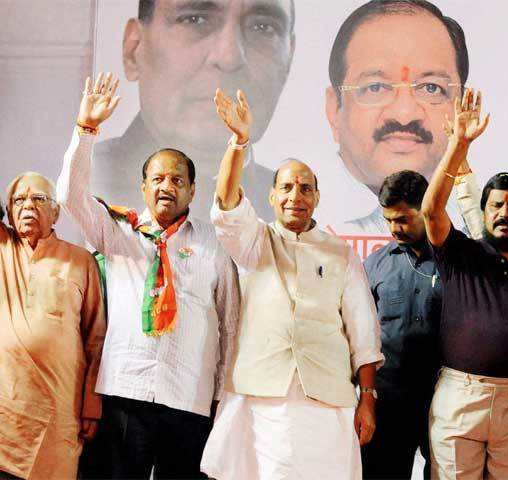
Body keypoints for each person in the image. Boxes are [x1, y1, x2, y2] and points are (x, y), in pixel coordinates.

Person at [56, 73, 239, 479]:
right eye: (157, 179)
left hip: (189, 399)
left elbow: (230, 326)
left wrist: (223, 399)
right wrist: (86, 130)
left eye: (177, 180)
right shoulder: (118, 233)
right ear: (143, 187)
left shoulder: (215, 246)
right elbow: (69, 195)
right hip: (124, 393)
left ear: (193, 191)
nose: (166, 187)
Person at [200, 88, 384, 479]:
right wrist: (238, 143)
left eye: (304, 188)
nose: (295, 196)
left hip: (328, 398)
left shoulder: (340, 253)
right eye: (286, 187)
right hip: (265, 395)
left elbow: (363, 332)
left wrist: (367, 398)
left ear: (317, 198)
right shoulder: (253, 241)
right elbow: (227, 203)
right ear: (271, 195)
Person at [422, 89, 508, 479]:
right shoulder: (461, 254)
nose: (505, 213)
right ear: (483, 212)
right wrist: (458, 145)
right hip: (460, 396)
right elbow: (431, 211)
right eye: (496, 205)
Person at [92, 0, 297, 220]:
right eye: (195, 19)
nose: (230, 57)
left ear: (288, 61)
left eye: (263, 27)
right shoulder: (82, 188)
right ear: (134, 50)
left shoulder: (296, 217)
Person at [361, 169, 481, 480]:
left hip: (447, 400)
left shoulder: (458, 258)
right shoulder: (374, 266)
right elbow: (361, 336)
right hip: (388, 401)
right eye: (388, 220)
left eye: (402, 219)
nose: (394, 228)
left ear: (426, 209)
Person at [324, 0, 472, 233]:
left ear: (461, 106)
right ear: (334, 110)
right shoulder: (308, 223)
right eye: (376, 87)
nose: (405, 114)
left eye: (431, 87)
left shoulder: (477, 227)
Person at [0, 172, 106, 479]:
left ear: (56, 211)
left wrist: (92, 405)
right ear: (8, 211)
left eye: (39, 198)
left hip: (59, 407)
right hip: (7, 404)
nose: (28, 206)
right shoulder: (4, 246)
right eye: (19, 200)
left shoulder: (81, 260)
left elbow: (96, 338)